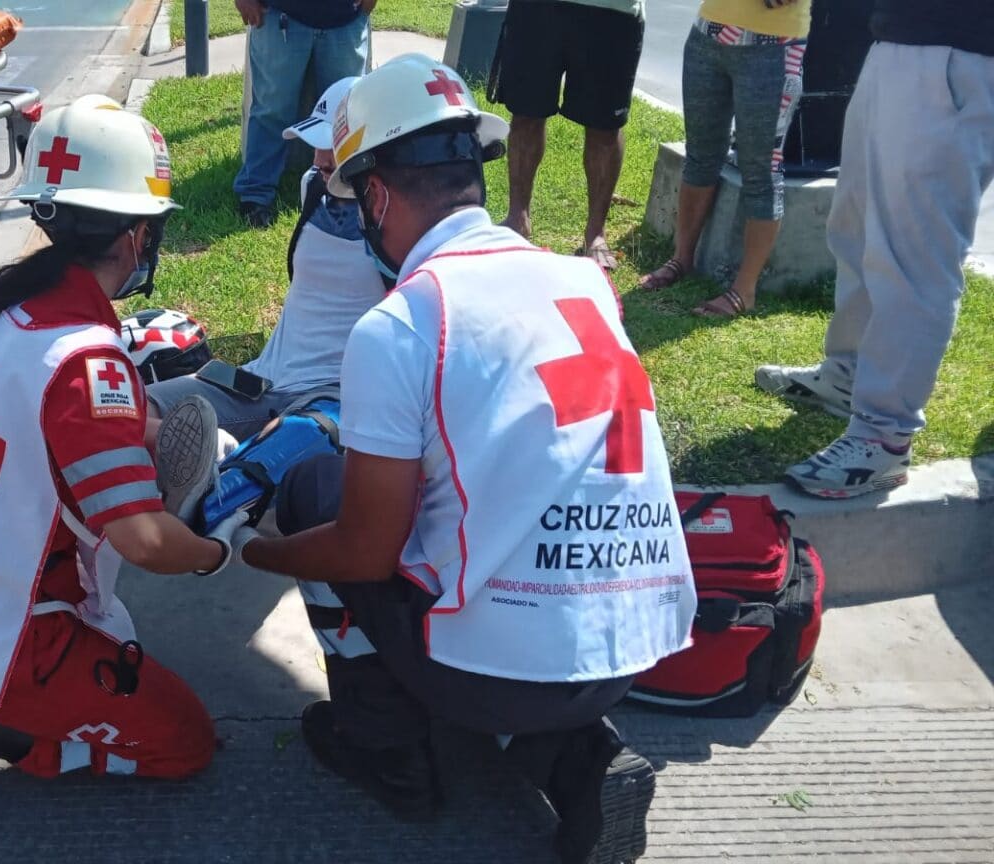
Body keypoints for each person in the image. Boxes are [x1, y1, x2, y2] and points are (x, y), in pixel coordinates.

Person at [209, 55, 696, 860]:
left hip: (491, 673)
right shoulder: (583, 282)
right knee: (497, 576)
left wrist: (256, 551)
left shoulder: (402, 323)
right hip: (627, 652)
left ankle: (383, 744)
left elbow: (364, 551)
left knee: (314, 488)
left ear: (375, 196)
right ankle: (581, 757)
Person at [0, 102, 242, 801]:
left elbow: (63, 430)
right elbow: (144, 541)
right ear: (138, 235)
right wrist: (214, 552)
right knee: (186, 743)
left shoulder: (10, 310)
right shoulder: (88, 362)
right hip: (15, 636)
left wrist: (151, 436)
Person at [754, 0, 993, 498]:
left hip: (959, 52)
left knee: (914, 255)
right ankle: (849, 376)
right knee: (856, 230)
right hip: (898, 40)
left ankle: (884, 437)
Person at [146, 76, 388, 450]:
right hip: (261, 380)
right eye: (316, 145)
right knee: (137, 409)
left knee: (253, 465)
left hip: (327, 397)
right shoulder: (314, 185)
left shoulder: (395, 222)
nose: (320, 159)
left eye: (332, 146)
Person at [637, 0, 811, 317]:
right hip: (709, 33)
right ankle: (682, 258)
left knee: (761, 169)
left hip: (775, 46)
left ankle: (744, 290)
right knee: (700, 155)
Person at [491, 0, 646, 270]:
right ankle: (517, 218)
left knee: (605, 128)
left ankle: (595, 234)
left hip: (612, 12)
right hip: (537, 10)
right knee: (526, 114)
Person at [233, 0, 371, 228]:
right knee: (271, 111)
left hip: (346, 18)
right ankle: (255, 195)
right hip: (278, 15)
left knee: (346, 115)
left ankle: (349, 190)